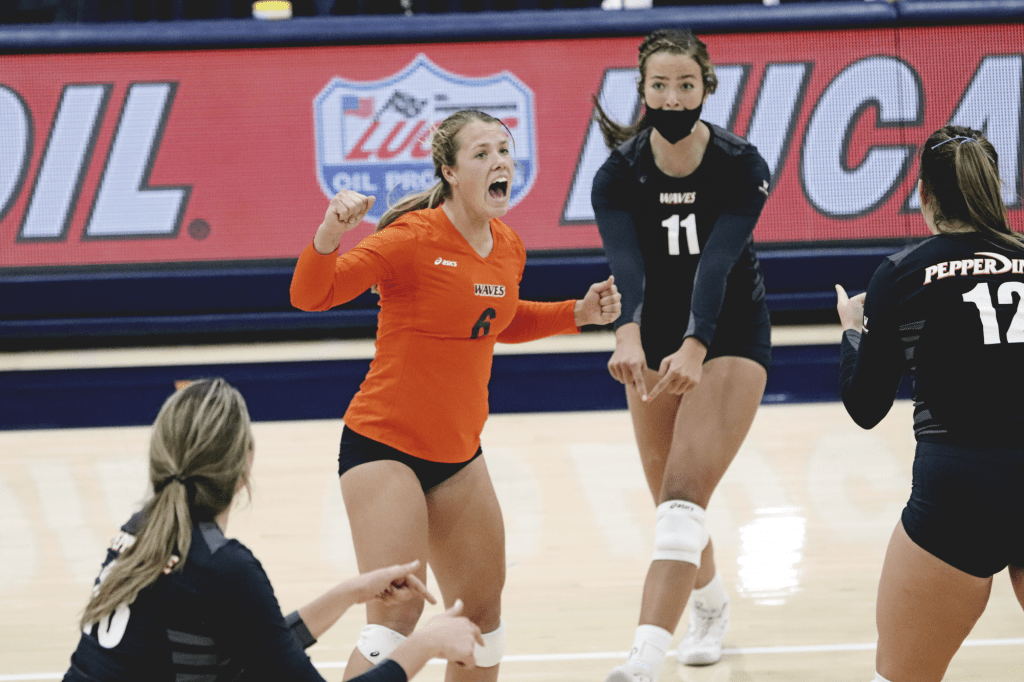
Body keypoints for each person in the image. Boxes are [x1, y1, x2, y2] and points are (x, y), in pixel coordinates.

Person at [289, 109, 621, 682]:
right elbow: (310, 295)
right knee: (399, 611)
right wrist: (328, 235)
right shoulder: (412, 239)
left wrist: (578, 313)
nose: (500, 162)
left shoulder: (508, 246)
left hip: (458, 454)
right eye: (482, 153)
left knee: (480, 617)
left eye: (504, 150)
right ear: (449, 170)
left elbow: (496, 319)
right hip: (383, 447)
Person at [63, 378, 484, 682]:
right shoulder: (223, 567)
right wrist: (428, 644)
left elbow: (260, 649)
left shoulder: (141, 531)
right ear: (244, 466)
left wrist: (351, 593)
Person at [589, 28, 772, 679]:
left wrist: (696, 344)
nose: (672, 98)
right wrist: (628, 331)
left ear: (706, 86)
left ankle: (641, 662)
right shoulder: (616, 174)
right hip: (656, 334)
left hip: (729, 335)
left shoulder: (741, 163)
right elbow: (626, 266)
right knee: (671, 494)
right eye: (659, 86)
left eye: (685, 85)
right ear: (641, 91)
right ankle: (713, 604)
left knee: (682, 498)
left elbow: (718, 266)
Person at [835, 125, 1024, 682]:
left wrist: (853, 332)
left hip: (958, 490)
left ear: (924, 195)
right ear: (995, 190)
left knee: (902, 677)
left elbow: (866, 406)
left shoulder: (901, 274)